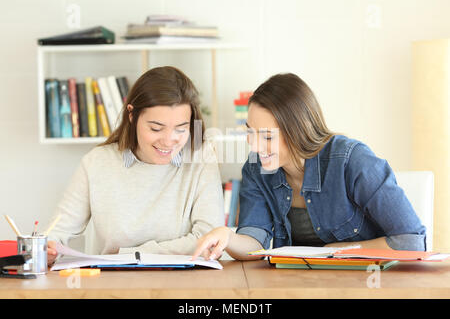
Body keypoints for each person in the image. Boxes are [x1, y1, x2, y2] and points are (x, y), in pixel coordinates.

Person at [192, 72, 426, 261]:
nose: (254, 146)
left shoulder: (352, 161)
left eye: (267, 137)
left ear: (298, 131)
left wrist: (337, 251)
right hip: (301, 287)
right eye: (250, 132)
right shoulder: (256, 169)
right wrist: (227, 236)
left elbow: (412, 241)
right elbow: (254, 243)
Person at [47, 66, 224, 265]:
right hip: (112, 286)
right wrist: (48, 248)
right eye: (156, 128)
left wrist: (131, 255)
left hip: (183, 284)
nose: (168, 140)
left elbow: (208, 239)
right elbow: (58, 231)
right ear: (132, 115)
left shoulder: (201, 159)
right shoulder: (97, 163)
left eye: (181, 129)